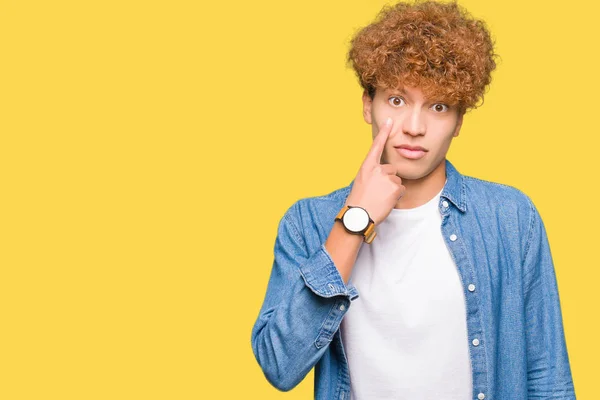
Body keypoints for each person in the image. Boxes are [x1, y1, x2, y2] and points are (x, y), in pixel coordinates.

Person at [250, 0, 576, 398]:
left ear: (458, 121)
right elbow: (278, 366)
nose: (415, 128)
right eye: (398, 100)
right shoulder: (308, 223)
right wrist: (354, 220)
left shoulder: (511, 218)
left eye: (438, 107)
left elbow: (547, 376)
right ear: (368, 105)